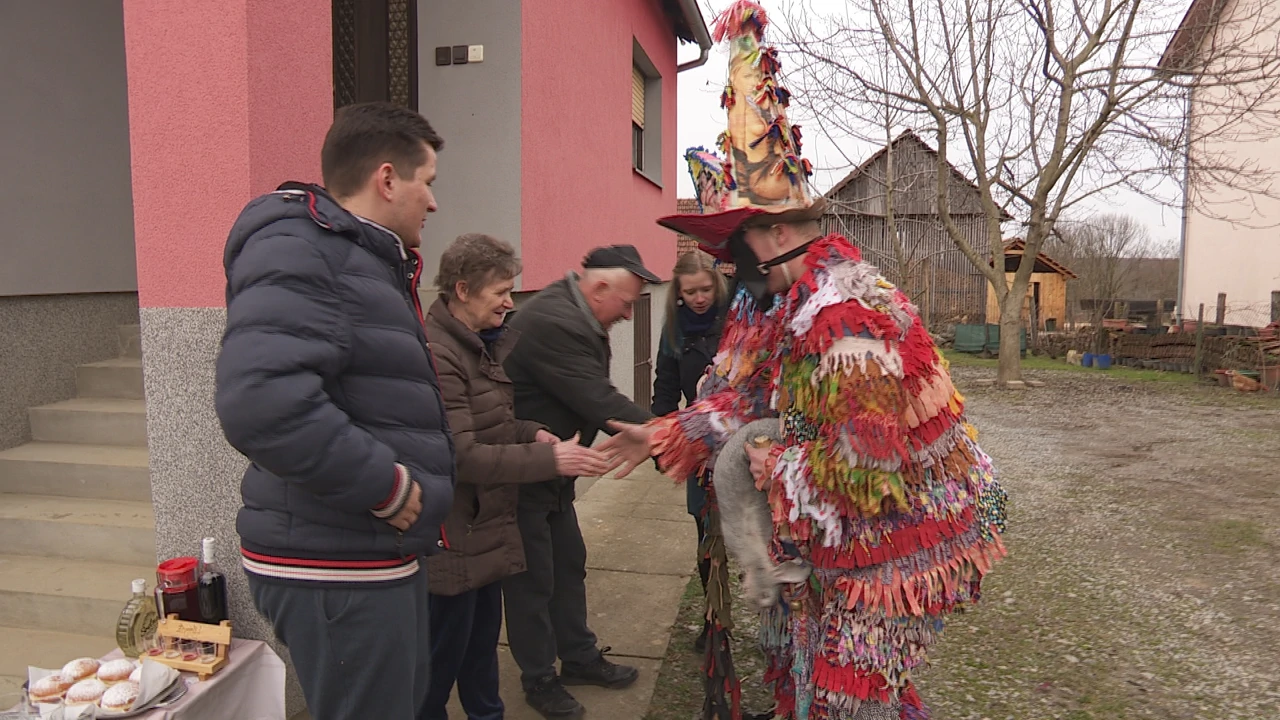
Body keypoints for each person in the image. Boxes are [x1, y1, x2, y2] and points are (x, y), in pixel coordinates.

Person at [601, 4, 1008, 719]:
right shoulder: (772, 302)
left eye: (736, 245)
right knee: (797, 666)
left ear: (781, 231)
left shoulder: (852, 318)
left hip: (896, 542)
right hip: (828, 538)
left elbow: (866, 466)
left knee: (848, 694)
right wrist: (667, 433)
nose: (728, 264)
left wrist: (766, 466)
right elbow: (741, 393)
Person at [214, 101, 454, 720]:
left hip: (364, 555)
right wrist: (389, 486)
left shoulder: (361, 257)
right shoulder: (307, 250)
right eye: (427, 183)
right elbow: (261, 404)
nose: (432, 203)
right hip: (336, 566)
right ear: (386, 179)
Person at [420, 234, 619, 720]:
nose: (511, 302)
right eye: (501, 292)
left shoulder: (480, 344)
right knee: (440, 667)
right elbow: (462, 454)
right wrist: (550, 463)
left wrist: (535, 433)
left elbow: (493, 423)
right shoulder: (439, 356)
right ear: (463, 290)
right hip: (456, 534)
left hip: (486, 529)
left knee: (482, 656)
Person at [501, 245, 661, 719]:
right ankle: (539, 679)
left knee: (568, 564)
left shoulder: (575, 312)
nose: (630, 315)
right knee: (532, 582)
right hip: (525, 471)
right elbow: (598, 398)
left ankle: (578, 657)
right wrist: (675, 435)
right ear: (599, 289)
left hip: (554, 473)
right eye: (628, 304)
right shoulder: (555, 321)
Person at [651, 251, 730, 654]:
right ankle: (715, 619)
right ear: (678, 293)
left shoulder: (737, 319)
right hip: (700, 446)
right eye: (690, 292)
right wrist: (661, 442)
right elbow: (665, 389)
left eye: (705, 289)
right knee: (706, 536)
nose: (700, 298)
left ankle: (777, 625)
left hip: (743, 440)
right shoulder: (674, 332)